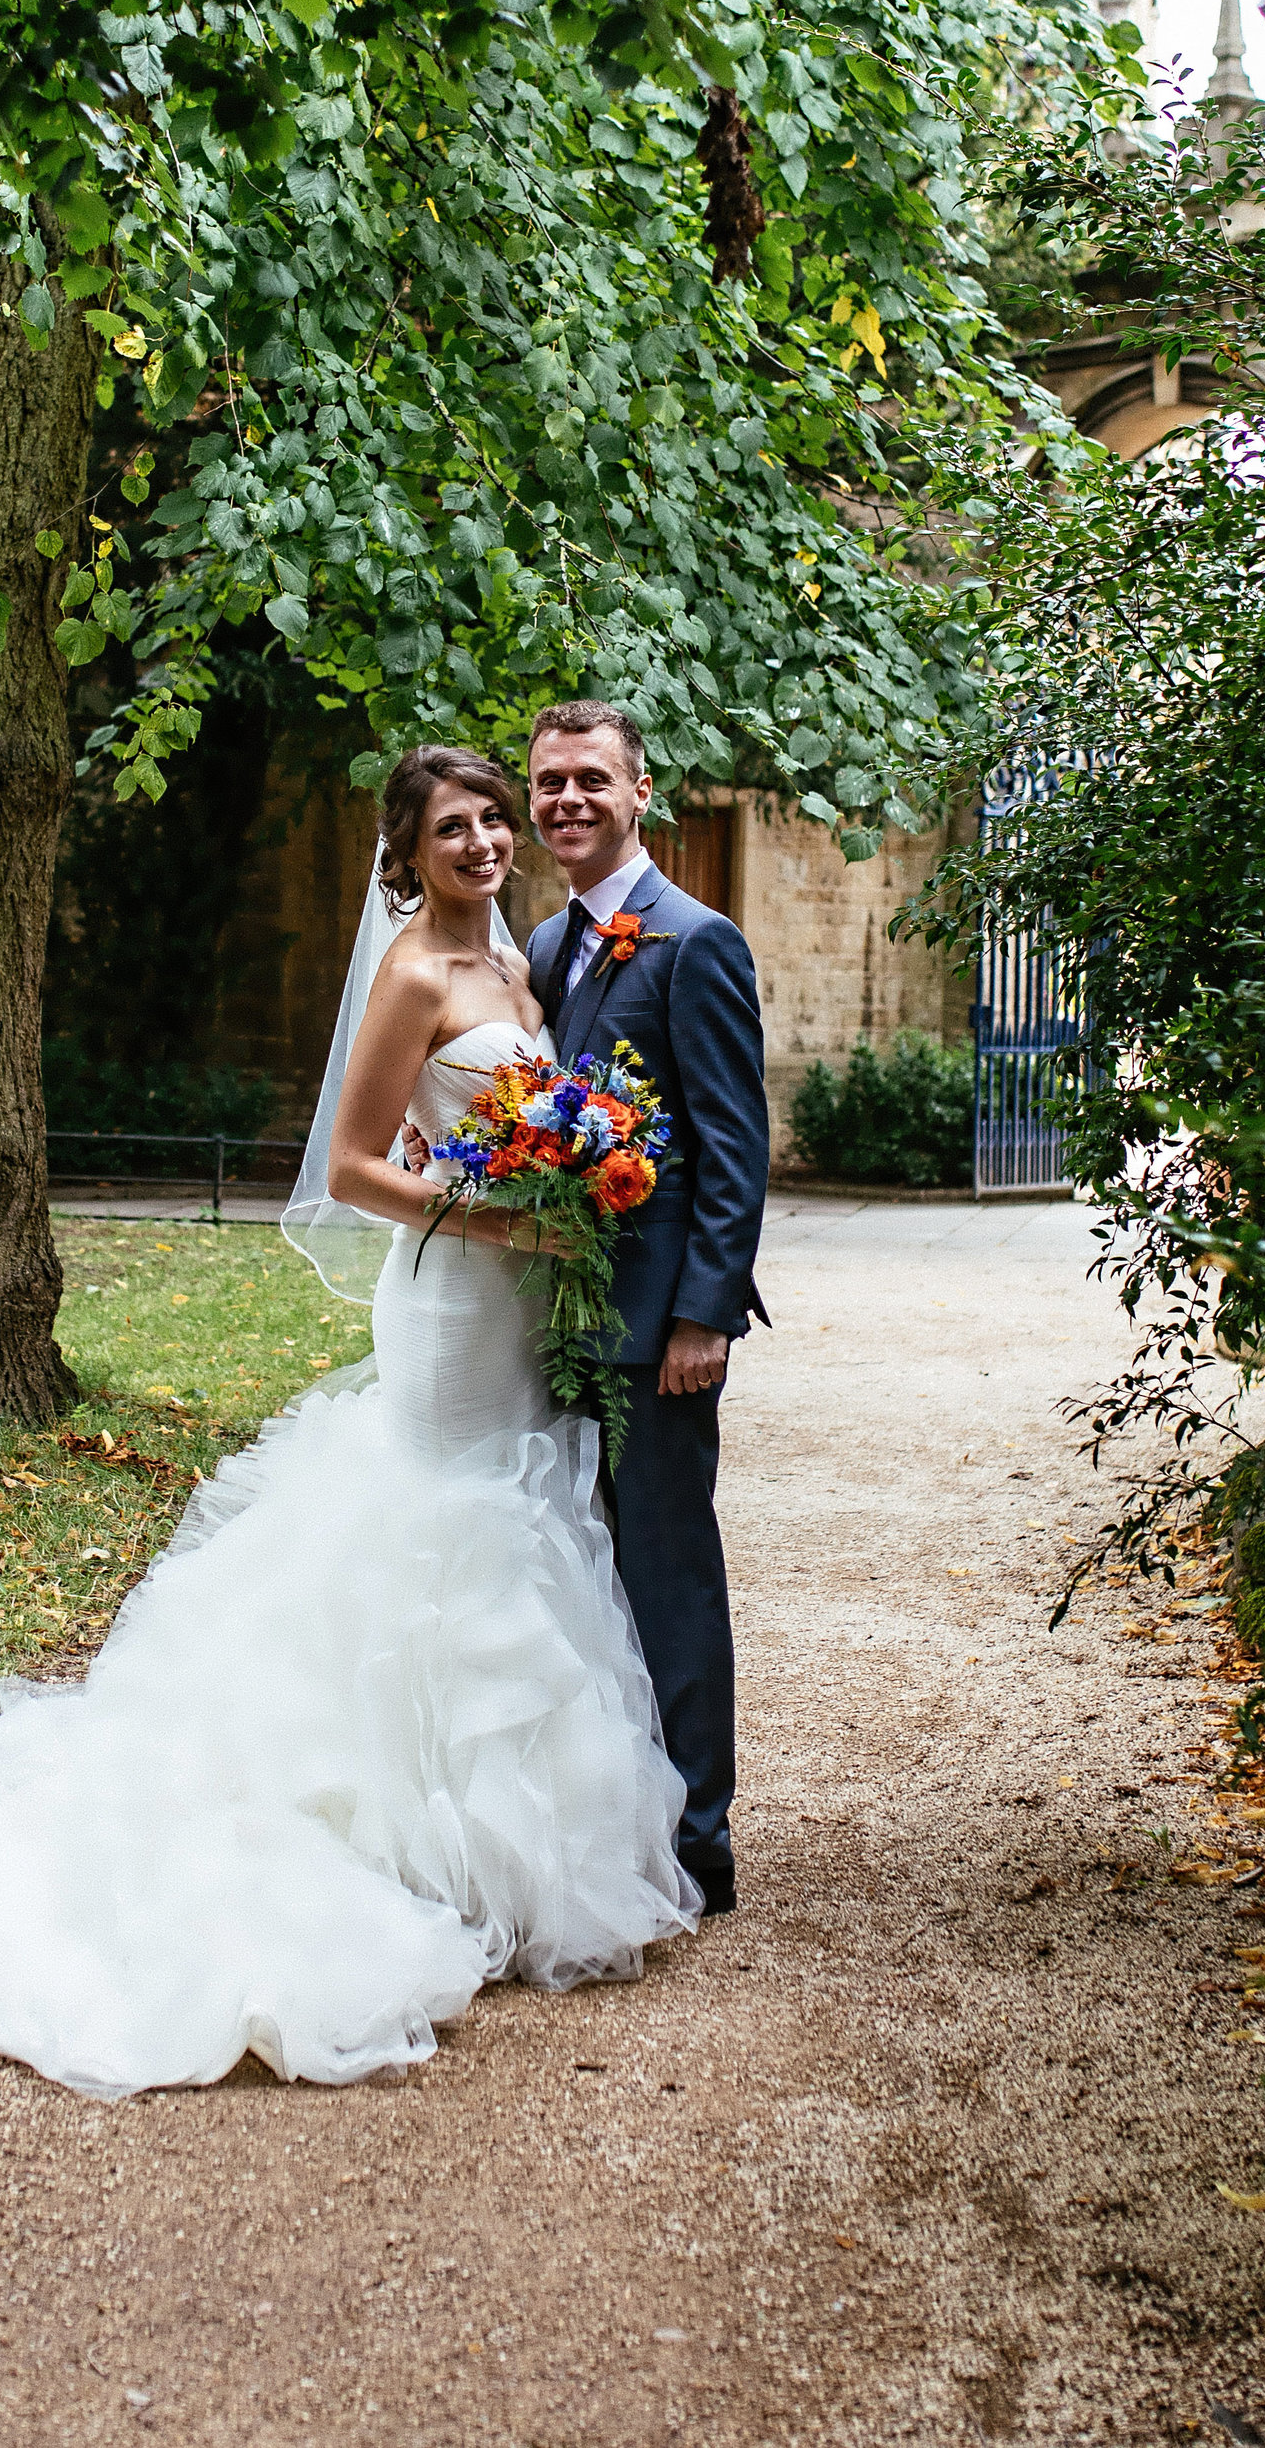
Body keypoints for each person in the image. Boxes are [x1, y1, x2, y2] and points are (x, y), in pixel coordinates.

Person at [0, 743, 694, 2098]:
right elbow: (354, 1165)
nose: (478, 840)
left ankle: (496, 1847)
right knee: (438, 1526)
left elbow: (494, 1121)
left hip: (520, 1304)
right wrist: (496, 1215)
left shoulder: (522, 965)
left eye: (489, 819)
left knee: (521, 1527)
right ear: (402, 853)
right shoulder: (412, 971)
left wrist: (562, 1177)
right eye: (449, 827)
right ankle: (390, 1836)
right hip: (454, 1309)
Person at [520, 697, 770, 1912]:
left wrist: (703, 1316)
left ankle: (697, 1840)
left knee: (666, 1568)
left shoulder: (694, 939)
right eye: (549, 782)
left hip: (657, 1324)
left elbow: (732, 1144)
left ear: (639, 792)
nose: (567, 800)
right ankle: (604, 1817)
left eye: (589, 781)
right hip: (557, 1315)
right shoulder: (541, 945)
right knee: (573, 1569)